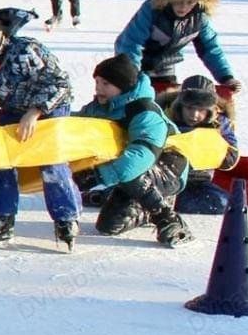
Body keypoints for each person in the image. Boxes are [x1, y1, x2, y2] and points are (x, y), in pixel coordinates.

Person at [0, 9, 81, 249]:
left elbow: (61, 83)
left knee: (51, 160)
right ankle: (1, 215)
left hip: (50, 108)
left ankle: (66, 217)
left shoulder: (25, 51)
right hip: (13, 110)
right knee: (0, 158)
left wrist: (36, 111)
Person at [72, 54, 191, 247]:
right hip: (132, 172)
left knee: (130, 168)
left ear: (123, 86)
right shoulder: (100, 107)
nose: (98, 88)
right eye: (97, 82)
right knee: (108, 226)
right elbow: (75, 123)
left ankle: (167, 218)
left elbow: (141, 156)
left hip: (168, 167)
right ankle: (146, 204)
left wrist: (98, 177)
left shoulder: (144, 111)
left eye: (105, 84)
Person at [114, 0, 238, 97]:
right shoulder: (153, 10)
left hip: (164, 66)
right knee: (133, 100)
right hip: (130, 61)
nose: (183, 7)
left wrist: (226, 77)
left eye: (190, 2)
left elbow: (210, 48)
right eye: (178, 1)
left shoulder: (200, 18)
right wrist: (131, 75)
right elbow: (132, 43)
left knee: (166, 103)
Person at [160, 75, 239, 215]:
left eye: (201, 109)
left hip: (198, 182)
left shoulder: (220, 123)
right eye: (190, 108)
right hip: (165, 180)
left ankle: (172, 203)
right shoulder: (163, 117)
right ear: (180, 104)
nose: (194, 115)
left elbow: (231, 158)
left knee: (223, 203)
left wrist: (211, 147)